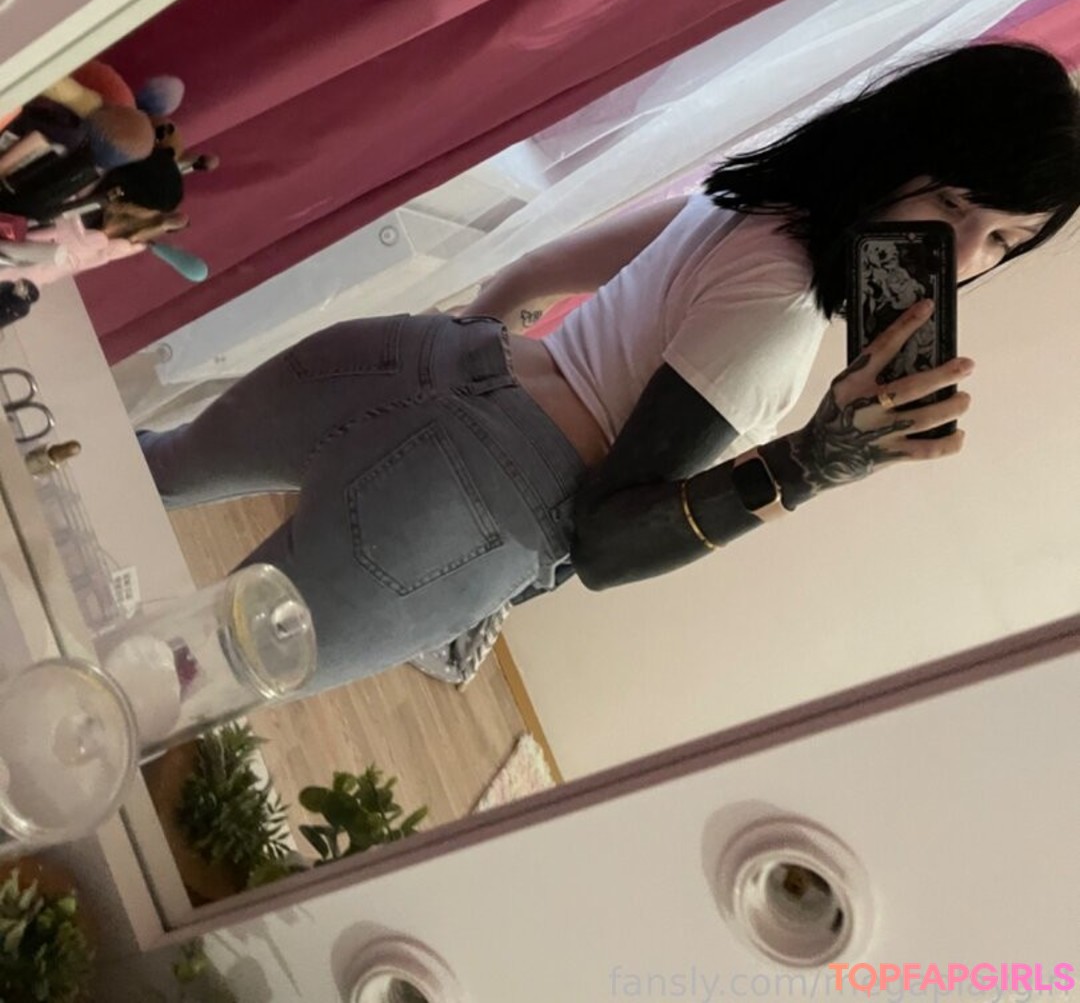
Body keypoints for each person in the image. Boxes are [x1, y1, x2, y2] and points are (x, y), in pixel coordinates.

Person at [138, 41, 1080, 695]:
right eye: (955, 206)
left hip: (407, 358)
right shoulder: (782, 314)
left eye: (1003, 240)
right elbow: (604, 544)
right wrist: (813, 463)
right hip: (464, 509)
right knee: (190, 674)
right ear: (905, 149)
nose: (963, 257)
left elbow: (534, 273)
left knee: (147, 468)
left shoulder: (756, 200)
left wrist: (456, 376)